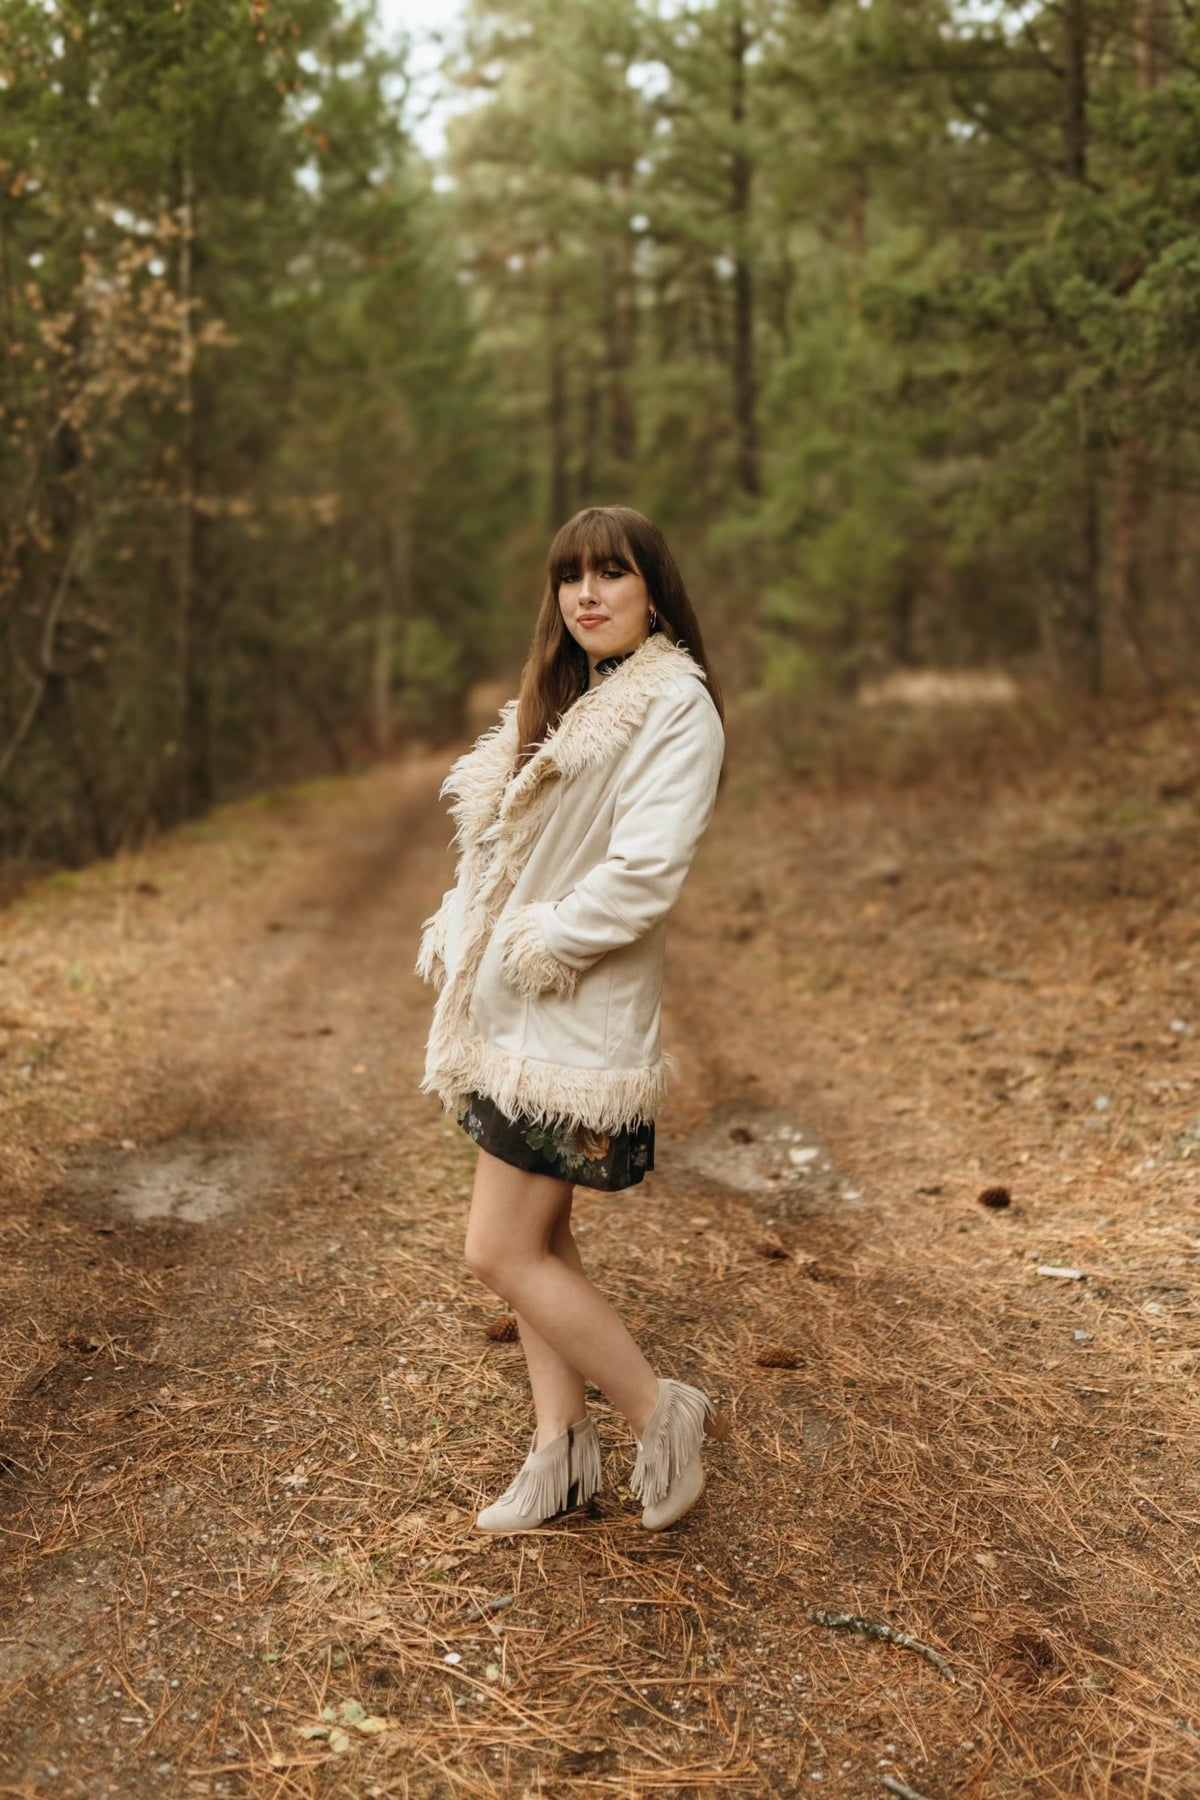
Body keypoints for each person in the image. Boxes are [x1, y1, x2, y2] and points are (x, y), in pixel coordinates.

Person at [416, 504, 729, 1533]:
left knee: (498, 1251)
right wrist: (472, 926)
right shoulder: (567, 697)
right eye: (570, 577)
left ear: (655, 591)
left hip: (570, 1019)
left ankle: (659, 1409)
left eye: (612, 573)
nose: (586, 595)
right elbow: (504, 849)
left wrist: (540, 937)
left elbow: (646, 871)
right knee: (540, 1241)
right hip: (513, 1020)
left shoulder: (673, 705)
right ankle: (560, 1456)